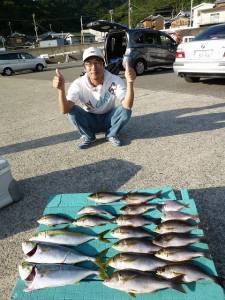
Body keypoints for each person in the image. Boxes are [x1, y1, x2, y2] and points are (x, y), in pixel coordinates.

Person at [52, 47, 136, 149]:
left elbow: (127, 105)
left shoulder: (114, 80)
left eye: (97, 62)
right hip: (89, 119)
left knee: (126, 111)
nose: (93, 67)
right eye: (89, 63)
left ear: (103, 64)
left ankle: (111, 134)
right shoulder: (78, 84)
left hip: (109, 118)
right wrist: (61, 90)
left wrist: (130, 82)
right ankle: (88, 136)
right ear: (84, 67)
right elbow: (64, 110)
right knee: (72, 112)